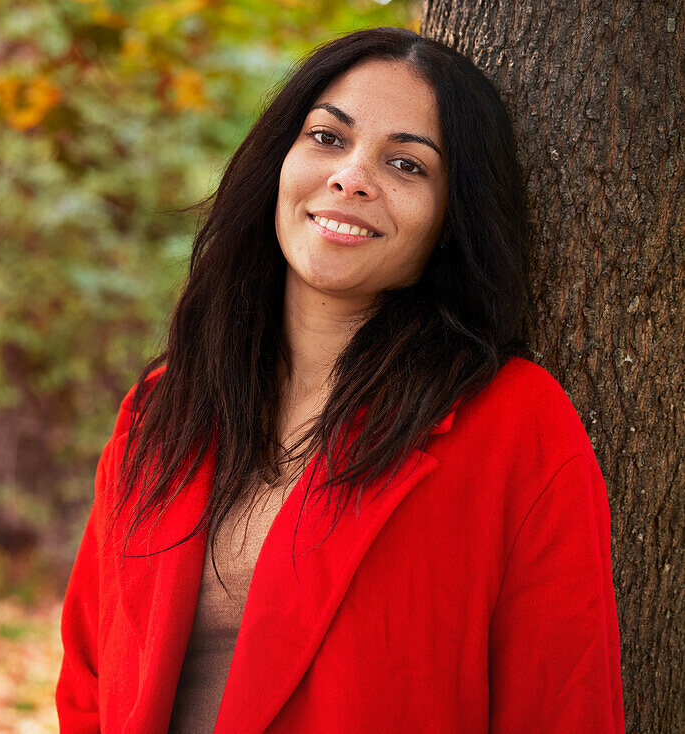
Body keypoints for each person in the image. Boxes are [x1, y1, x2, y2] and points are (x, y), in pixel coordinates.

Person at [56, 27, 624, 733]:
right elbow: (88, 680)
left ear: (451, 221)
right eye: (328, 138)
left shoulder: (515, 423)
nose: (352, 176)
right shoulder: (162, 409)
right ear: (279, 161)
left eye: (408, 165)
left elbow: (561, 706)